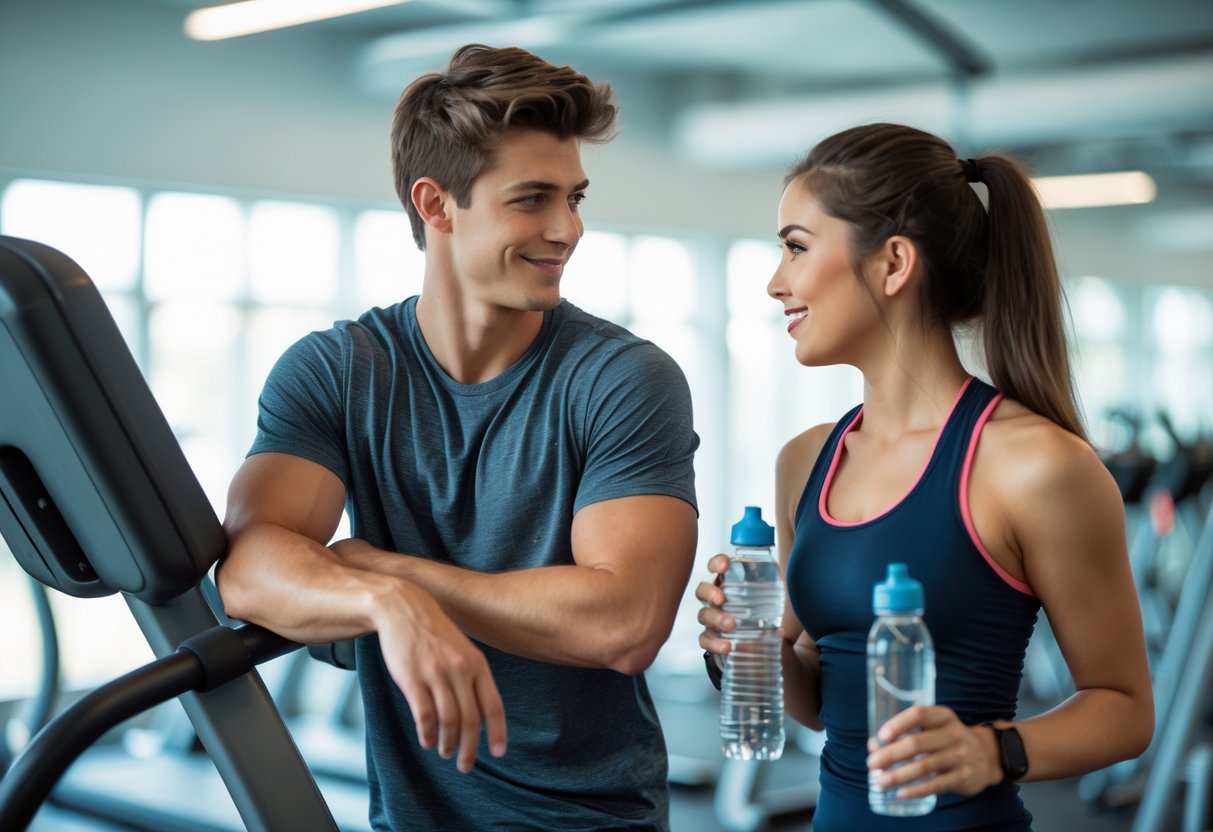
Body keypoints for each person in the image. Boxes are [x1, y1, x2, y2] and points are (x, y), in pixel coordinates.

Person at [216, 44, 699, 831]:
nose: (567, 228)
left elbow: (624, 622)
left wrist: (384, 567)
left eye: (574, 197)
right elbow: (249, 570)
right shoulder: (336, 371)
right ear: (436, 205)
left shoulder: (622, 377)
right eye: (532, 199)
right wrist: (388, 601)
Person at [696, 123, 1153, 830]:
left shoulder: (1035, 465)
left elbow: (1122, 709)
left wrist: (991, 749)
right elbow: (821, 698)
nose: (774, 281)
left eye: (794, 246)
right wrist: (742, 649)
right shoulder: (805, 461)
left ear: (893, 263)